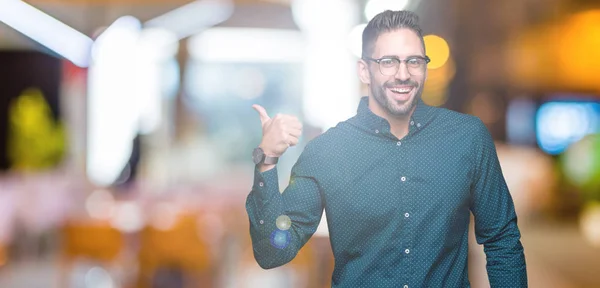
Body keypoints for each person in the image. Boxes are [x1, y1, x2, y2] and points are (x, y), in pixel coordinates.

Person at [246, 10, 527, 288]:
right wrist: (266, 162)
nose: (403, 74)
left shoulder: (467, 137)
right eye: (388, 62)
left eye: (414, 61)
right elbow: (273, 251)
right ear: (364, 70)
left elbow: (502, 240)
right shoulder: (326, 152)